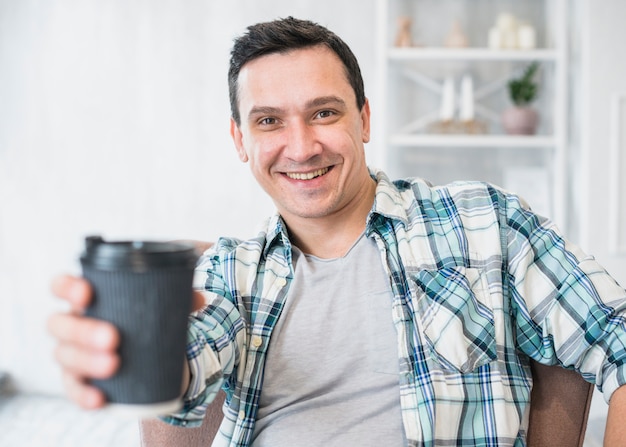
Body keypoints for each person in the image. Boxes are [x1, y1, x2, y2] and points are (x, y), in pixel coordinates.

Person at [48, 16, 626, 446]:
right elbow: (187, 369)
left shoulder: (485, 222)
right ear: (240, 141)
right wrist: (129, 348)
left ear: (364, 119)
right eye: (269, 121)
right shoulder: (230, 270)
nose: (301, 147)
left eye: (324, 112)